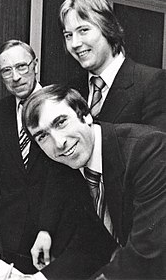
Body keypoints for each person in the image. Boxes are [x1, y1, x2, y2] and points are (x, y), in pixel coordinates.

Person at [0, 40, 116, 278]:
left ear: (35, 65)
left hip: (58, 232)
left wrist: (46, 228)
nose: (15, 77)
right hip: (13, 233)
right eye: (7, 70)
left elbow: (68, 178)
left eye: (22, 66)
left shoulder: (59, 104)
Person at [22, 84, 166, 280]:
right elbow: (91, 243)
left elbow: (145, 253)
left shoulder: (147, 150)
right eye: (42, 136)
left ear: (86, 115)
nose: (58, 143)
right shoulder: (71, 164)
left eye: (61, 122)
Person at [59, 0, 166, 131]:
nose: (75, 43)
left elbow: (157, 148)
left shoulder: (152, 82)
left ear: (107, 28)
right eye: (68, 35)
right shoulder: (71, 89)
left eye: (83, 30)